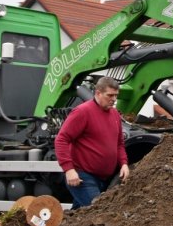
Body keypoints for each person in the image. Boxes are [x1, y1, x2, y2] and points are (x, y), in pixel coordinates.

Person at [54, 76, 130, 208]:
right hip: (83, 177)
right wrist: (69, 170)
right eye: (110, 95)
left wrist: (123, 163)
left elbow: (119, 144)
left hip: (103, 178)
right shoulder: (82, 112)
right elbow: (61, 139)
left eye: (116, 95)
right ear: (98, 93)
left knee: (80, 219)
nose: (114, 99)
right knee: (98, 212)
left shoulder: (115, 114)